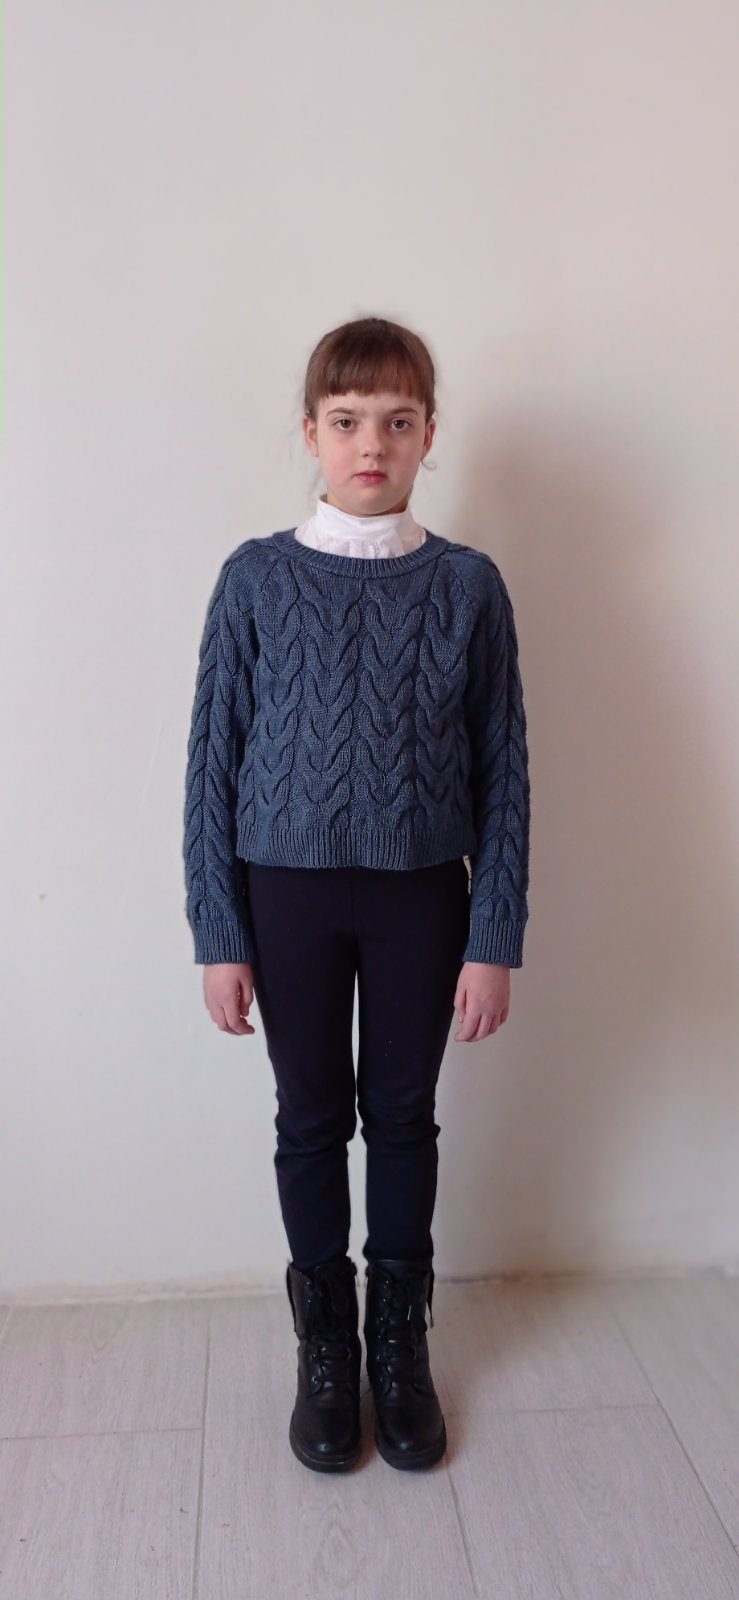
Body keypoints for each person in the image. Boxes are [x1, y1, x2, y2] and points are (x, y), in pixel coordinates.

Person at [182, 315, 531, 1474]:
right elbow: (212, 765)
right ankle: (325, 1343)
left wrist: (494, 932)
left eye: (395, 420)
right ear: (310, 433)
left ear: (429, 433)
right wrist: (218, 930)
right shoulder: (255, 579)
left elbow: (504, 772)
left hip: (421, 898)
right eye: (346, 421)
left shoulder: (468, 587)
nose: (369, 443)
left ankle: (397, 1342)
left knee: (403, 1117)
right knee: (308, 1119)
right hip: (282, 894)